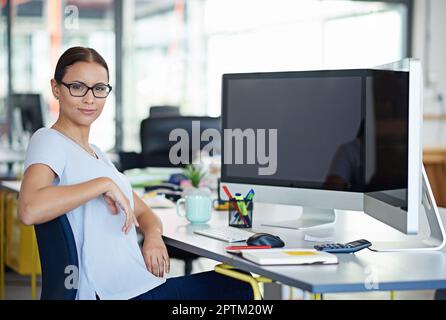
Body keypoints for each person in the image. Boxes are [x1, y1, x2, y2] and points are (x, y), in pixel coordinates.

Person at [18, 46, 253, 300]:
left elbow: (143, 212)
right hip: (113, 294)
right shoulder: (49, 139)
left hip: (137, 285)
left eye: (99, 89)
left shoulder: (97, 154)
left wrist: (152, 236)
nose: (89, 99)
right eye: (77, 87)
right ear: (56, 88)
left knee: (236, 280)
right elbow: (30, 208)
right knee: (241, 285)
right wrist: (102, 184)